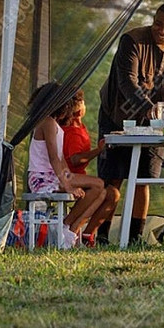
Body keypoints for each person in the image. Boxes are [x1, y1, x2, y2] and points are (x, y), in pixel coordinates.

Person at [87, 2, 164, 244]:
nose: (162, 30)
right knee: (113, 178)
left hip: (156, 123)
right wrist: (148, 107)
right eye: (158, 24)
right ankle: (100, 236)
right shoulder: (132, 40)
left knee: (143, 178)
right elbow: (127, 82)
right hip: (117, 116)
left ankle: (135, 238)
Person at [27, 83, 106, 248]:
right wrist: (68, 185)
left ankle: (68, 227)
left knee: (100, 187)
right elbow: (53, 158)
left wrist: (70, 178)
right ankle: (66, 226)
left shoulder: (54, 124)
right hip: (42, 178)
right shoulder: (47, 122)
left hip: (54, 175)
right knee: (97, 185)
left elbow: (61, 159)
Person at [59, 89, 106, 246]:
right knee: (99, 185)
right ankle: (66, 224)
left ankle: (73, 232)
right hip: (69, 176)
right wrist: (98, 151)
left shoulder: (80, 127)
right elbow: (76, 159)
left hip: (78, 175)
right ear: (79, 110)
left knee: (104, 193)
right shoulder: (72, 131)